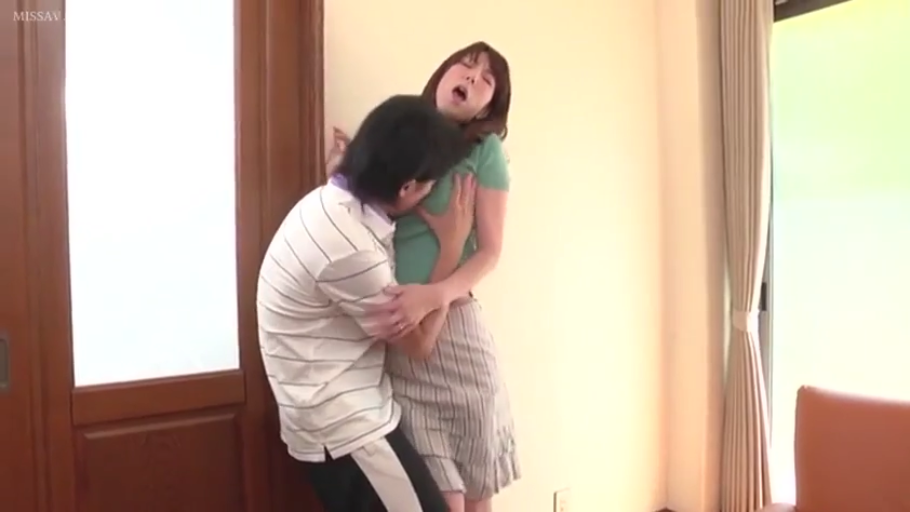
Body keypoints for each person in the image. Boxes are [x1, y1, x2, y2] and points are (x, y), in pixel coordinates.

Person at [257, 94, 478, 512]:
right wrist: (451, 249)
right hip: (346, 429)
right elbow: (418, 346)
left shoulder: (329, 202)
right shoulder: (352, 248)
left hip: (324, 417)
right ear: (407, 187)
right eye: (430, 184)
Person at [332, 41, 518, 512]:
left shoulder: (484, 152)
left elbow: (491, 252)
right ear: (443, 73)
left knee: (474, 495)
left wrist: (434, 295)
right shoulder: (403, 135)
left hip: (456, 332)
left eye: (487, 80)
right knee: (436, 498)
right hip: (403, 335)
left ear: (488, 108)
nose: (472, 77)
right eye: (466, 65)